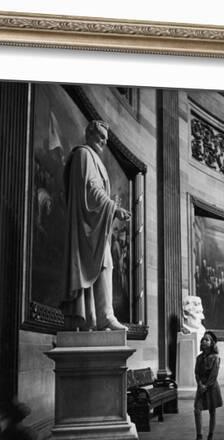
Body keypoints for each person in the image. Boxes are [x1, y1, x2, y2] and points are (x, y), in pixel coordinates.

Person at [61, 120, 131, 331]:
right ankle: (102, 316)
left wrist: (109, 209)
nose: (103, 141)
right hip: (86, 227)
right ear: (89, 134)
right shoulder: (84, 155)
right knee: (104, 263)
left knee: (106, 264)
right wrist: (114, 208)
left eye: (105, 139)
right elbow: (91, 190)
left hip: (96, 226)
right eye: (100, 136)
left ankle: (103, 316)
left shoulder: (95, 159)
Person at [186, 331, 223, 440]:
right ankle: (199, 438)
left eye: (206, 340)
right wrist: (199, 384)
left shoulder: (215, 358)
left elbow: (214, 375)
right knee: (197, 409)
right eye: (202, 340)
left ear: (212, 343)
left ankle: (210, 438)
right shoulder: (199, 358)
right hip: (201, 387)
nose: (203, 341)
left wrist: (205, 386)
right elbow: (196, 372)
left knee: (212, 411)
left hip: (211, 388)